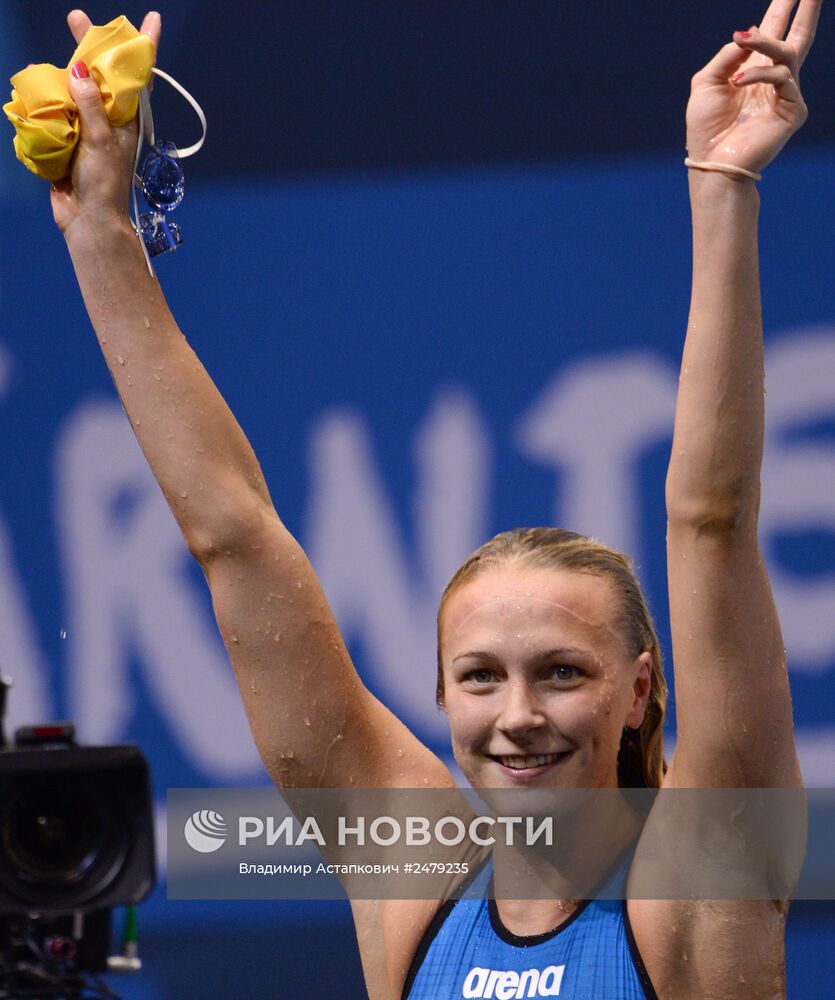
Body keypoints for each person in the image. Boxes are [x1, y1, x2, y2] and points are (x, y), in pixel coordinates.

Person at [50, 2, 821, 996]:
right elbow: (233, 536)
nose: (518, 716)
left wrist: (723, 184)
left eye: (560, 672)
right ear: (441, 693)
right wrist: (102, 239)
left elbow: (710, 518)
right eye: (480, 676)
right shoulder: (413, 876)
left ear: (637, 689)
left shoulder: (701, 884)